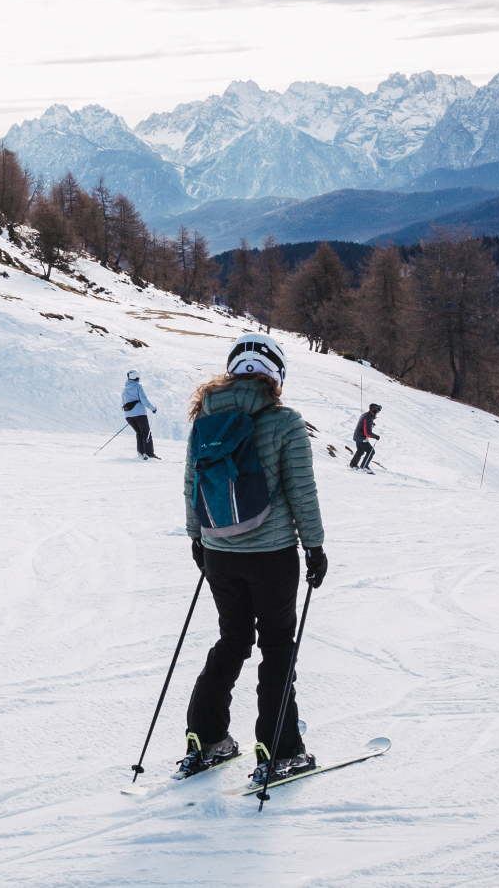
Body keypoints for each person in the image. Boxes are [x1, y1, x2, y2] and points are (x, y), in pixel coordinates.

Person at [180, 333, 326, 786]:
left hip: (220, 552)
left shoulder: (206, 416)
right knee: (278, 645)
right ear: (275, 375)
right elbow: (302, 491)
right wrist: (315, 546)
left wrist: (197, 538)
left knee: (232, 640)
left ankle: (206, 739)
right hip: (272, 554)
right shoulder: (285, 422)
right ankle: (279, 750)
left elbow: (192, 484)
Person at [121, 370, 158, 459]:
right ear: (137, 377)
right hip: (140, 414)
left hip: (128, 416)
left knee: (139, 433)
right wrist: (153, 409)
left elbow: (122, 402)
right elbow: (144, 401)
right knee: (146, 433)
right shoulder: (138, 387)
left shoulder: (125, 388)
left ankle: (141, 453)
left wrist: (130, 414)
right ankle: (149, 454)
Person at [349, 404, 381, 470]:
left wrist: (371, 424)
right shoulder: (369, 417)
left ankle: (353, 465)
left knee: (360, 451)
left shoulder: (365, 415)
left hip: (357, 436)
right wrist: (376, 437)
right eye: (377, 412)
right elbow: (367, 433)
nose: (377, 413)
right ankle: (364, 466)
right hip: (362, 438)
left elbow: (363, 424)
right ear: (374, 411)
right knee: (371, 451)